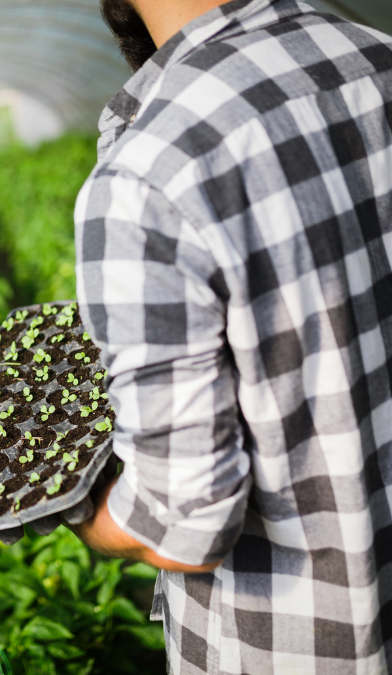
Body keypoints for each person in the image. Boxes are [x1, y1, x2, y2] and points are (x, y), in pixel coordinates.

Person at [70, 0, 392, 672]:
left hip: (304, 644)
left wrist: (79, 509)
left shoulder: (148, 170)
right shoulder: (375, 55)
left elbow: (185, 523)